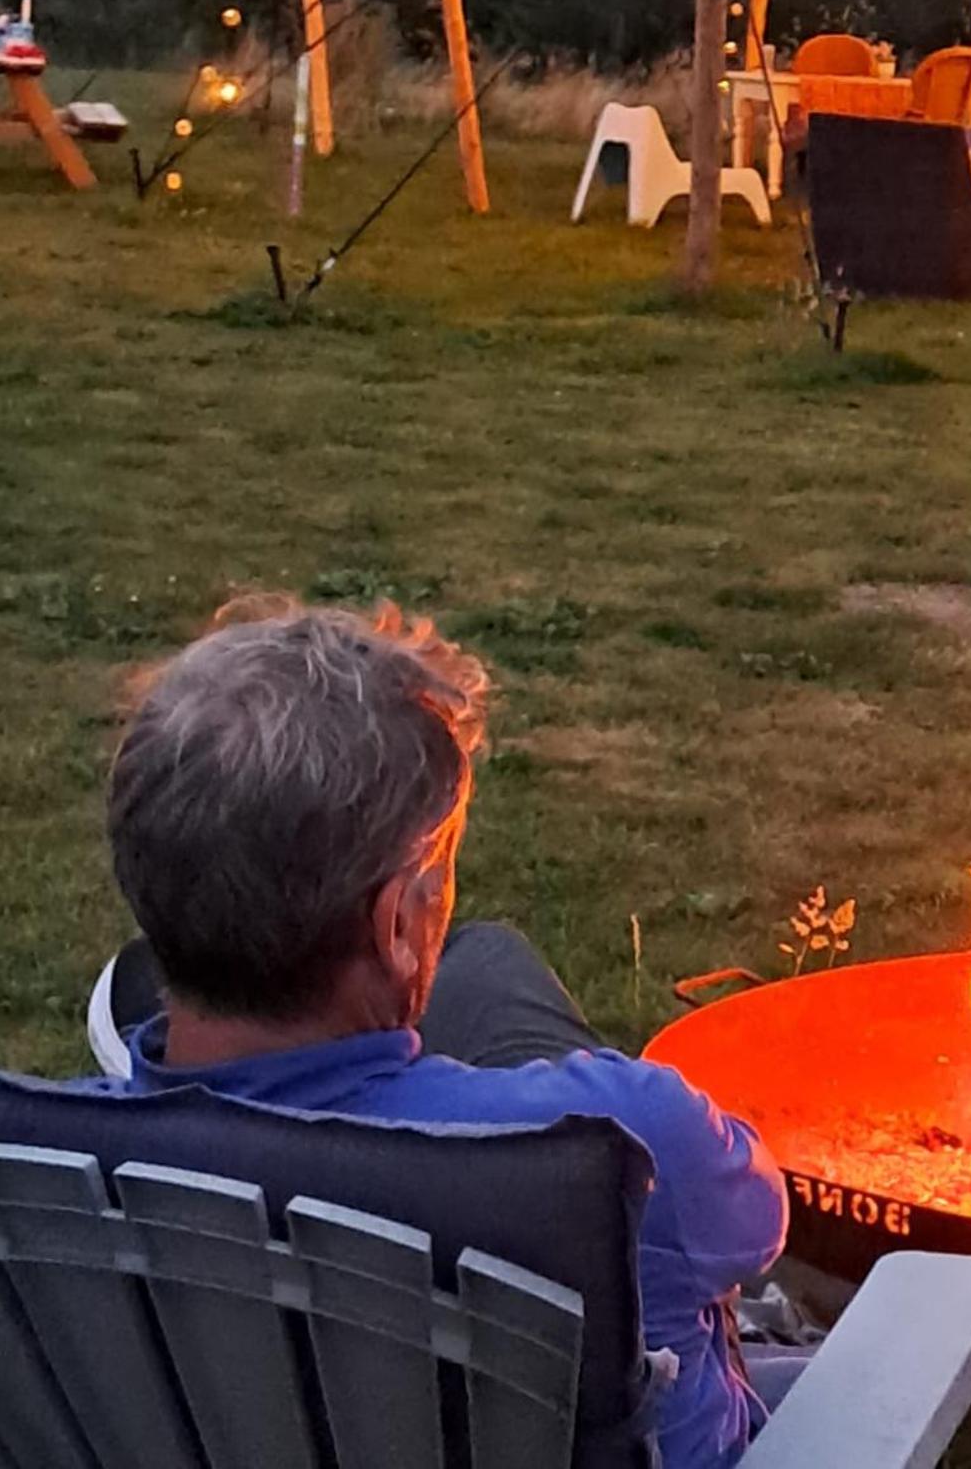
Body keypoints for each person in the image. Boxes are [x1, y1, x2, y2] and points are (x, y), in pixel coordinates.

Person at [77, 597, 788, 1469]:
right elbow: (754, 1222)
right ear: (396, 928)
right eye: (439, 871)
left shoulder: (51, 1169)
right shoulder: (620, 1137)